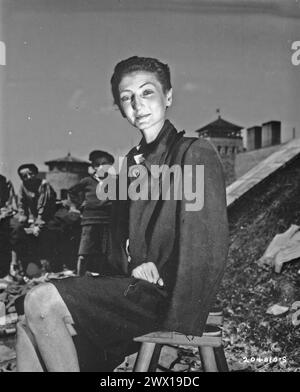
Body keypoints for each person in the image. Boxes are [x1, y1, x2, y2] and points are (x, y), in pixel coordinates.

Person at [16, 56, 229, 372]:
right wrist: (134, 264)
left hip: (168, 297)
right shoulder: (131, 163)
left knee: (39, 301)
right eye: (126, 98)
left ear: (168, 96)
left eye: (147, 93)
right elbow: (120, 241)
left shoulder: (192, 153)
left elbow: (207, 243)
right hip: (133, 289)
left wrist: (177, 307)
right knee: (25, 323)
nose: (137, 105)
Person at [67, 150, 115, 275]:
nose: (101, 167)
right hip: (90, 220)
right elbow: (71, 192)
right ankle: (79, 278)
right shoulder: (87, 181)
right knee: (84, 253)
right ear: (93, 166)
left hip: (107, 220)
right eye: (98, 164)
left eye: (105, 164)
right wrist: (76, 206)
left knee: (104, 253)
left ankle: (101, 279)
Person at [10, 164, 57, 274]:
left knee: (43, 235)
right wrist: (22, 219)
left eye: (30, 174)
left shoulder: (44, 184)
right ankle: (15, 266)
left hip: (49, 216)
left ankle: (47, 267)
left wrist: (38, 224)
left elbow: (43, 207)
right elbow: (21, 205)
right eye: (24, 176)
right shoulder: (23, 186)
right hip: (36, 217)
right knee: (17, 232)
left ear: (36, 173)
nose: (28, 177)